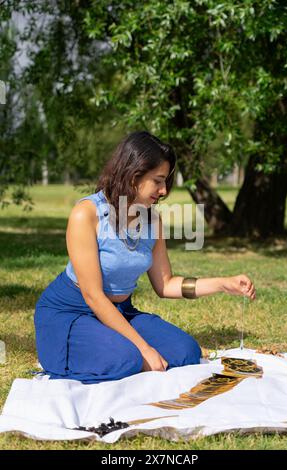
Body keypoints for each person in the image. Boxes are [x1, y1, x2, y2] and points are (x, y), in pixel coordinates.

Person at [34, 131, 256, 384]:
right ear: (133, 175)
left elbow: (165, 284)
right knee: (128, 359)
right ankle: (78, 353)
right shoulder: (86, 214)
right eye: (158, 181)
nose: (163, 191)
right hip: (70, 312)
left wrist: (222, 283)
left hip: (120, 312)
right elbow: (93, 296)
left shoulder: (152, 220)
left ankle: (110, 348)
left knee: (186, 352)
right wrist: (143, 348)